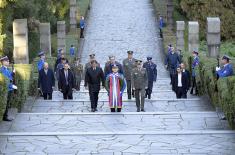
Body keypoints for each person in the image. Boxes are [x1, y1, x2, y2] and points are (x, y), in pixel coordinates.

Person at [0, 56, 17, 121]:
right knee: (6, 104)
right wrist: (12, 86)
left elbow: (10, 77)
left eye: (8, 61)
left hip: (9, 89)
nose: (8, 62)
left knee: (7, 103)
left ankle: (6, 115)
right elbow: (7, 80)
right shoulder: (2, 70)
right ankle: (5, 117)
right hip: (7, 89)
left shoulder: (6, 69)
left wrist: (13, 73)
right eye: (7, 61)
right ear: (3, 62)